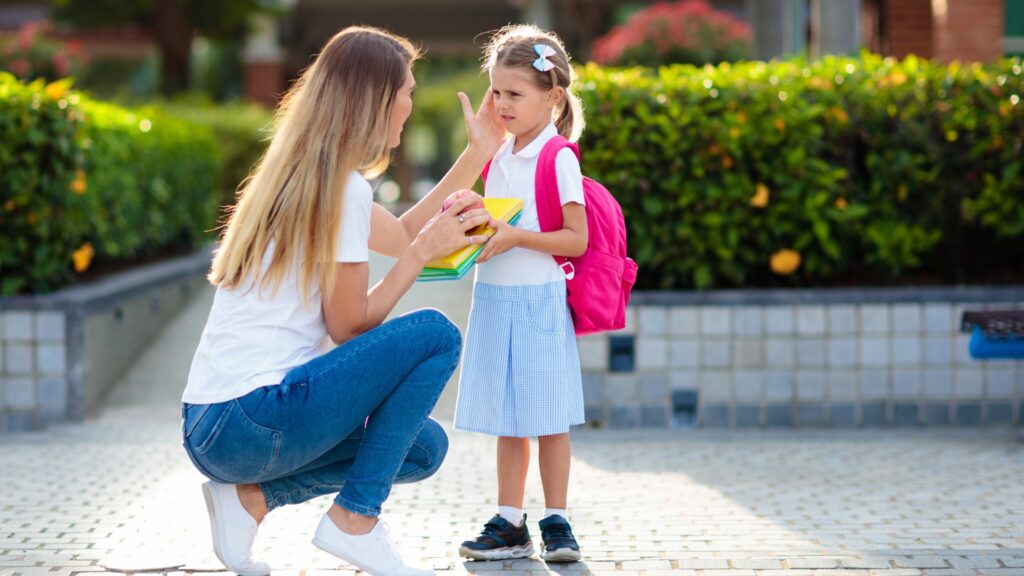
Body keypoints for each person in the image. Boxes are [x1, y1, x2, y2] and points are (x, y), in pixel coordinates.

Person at [180, 25, 504, 576]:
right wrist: (424, 254)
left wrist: (478, 153)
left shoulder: (303, 176)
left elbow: (399, 235)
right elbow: (351, 325)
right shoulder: (341, 188)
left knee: (420, 447)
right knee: (436, 335)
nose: (409, 103)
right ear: (375, 99)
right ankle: (355, 521)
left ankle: (249, 501)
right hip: (250, 420)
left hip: (212, 427)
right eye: (405, 90)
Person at [454, 24, 588, 563]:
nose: (502, 104)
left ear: (551, 97)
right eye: (497, 92)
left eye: (515, 93)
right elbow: (495, 221)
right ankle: (510, 520)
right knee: (510, 421)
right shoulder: (498, 154)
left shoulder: (559, 157)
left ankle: (557, 519)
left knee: (548, 420)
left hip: (538, 302)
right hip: (494, 298)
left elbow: (576, 240)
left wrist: (514, 237)